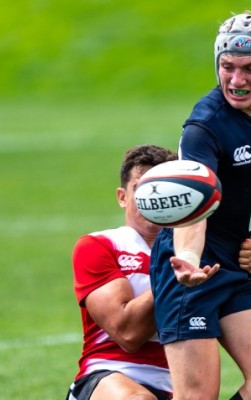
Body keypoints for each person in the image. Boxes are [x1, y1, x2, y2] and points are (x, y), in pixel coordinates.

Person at [149, 11, 251, 400]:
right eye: (227, 67)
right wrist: (188, 257)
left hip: (241, 263)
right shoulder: (205, 127)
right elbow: (194, 202)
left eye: (250, 68)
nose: (236, 81)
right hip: (196, 269)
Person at [66, 144, 176, 400]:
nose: (152, 198)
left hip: (178, 384)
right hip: (109, 375)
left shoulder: (199, 250)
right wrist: (174, 275)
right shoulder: (101, 245)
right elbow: (128, 333)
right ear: (122, 196)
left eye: (161, 188)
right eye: (142, 188)